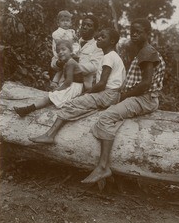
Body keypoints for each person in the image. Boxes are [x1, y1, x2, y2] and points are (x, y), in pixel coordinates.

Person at [81, 18, 166, 183]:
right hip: (140, 97)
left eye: (139, 32)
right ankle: (109, 172)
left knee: (106, 117)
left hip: (144, 98)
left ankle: (103, 166)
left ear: (148, 34)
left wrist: (123, 97)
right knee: (111, 115)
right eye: (132, 31)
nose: (134, 35)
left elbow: (146, 83)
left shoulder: (147, 52)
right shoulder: (143, 51)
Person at [28, 27, 126, 144]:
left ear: (112, 41)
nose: (98, 38)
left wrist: (87, 93)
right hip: (111, 94)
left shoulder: (109, 57)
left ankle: (50, 135)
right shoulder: (111, 56)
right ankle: (51, 133)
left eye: (103, 37)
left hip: (108, 94)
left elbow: (102, 83)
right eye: (98, 36)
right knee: (81, 104)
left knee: (72, 103)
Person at [14, 40, 83, 116]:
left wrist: (58, 89)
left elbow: (68, 81)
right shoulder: (67, 63)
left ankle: (27, 109)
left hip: (74, 87)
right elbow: (65, 78)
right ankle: (27, 109)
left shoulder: (71, 63)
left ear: (71, 51)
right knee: (52, 95)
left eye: (63, 49)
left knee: (49, 98)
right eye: (58, 51)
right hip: (73, 86)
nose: (60, 52)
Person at [51, 14, 103, 91]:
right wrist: (58, 63)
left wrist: (70, 66)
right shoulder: (71, 41)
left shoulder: (98, 47)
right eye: (83, 24)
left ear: (95, 31)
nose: (85, 27)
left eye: (89, 25)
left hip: (81, 86)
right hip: (61, 84)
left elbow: (93, 67)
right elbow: (54, 61)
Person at [50, 10, 79, 89]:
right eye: (62, 21)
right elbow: (60, 43)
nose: (65, 23)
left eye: (67, 21)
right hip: (61, 52)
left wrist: (75, 38)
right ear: (58, 23)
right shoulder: (57, 33)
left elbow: (75, 41)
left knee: (67, 68)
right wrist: (71, 41)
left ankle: (61, 84)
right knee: (61, 68)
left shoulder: (72, 31)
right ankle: (55, 82)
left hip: (70, 52)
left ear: (71, 23)